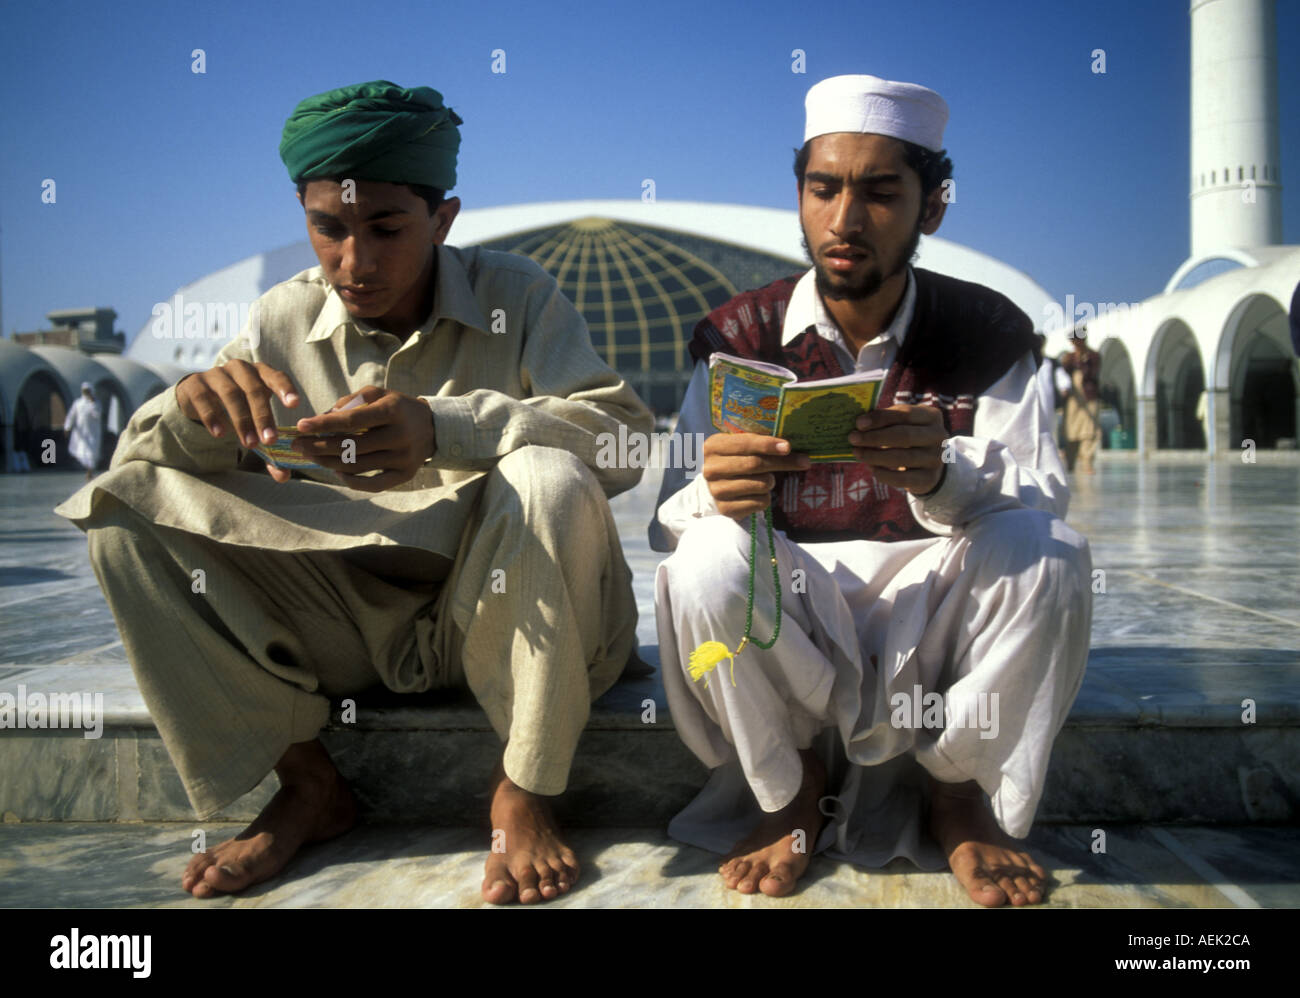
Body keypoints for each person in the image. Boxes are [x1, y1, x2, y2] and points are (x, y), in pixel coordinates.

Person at [55, 81, 653, 905]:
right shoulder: (280, 317)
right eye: (328, 229)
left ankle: (524, 787)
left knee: (546, 476)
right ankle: (308, 784)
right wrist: (196, 413)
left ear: (443, 221)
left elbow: (623, 439)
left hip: (509, 612)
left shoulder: (518, 295)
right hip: (354, 629)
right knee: (123, 510)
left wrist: (447, 429)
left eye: (386, 229)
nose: (355, 262)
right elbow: (139, 463)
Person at [651, 74, 1092, 906]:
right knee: (707, 559)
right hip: (798, 610)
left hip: (934, 604)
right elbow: (671, 519)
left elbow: (1040, 496)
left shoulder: (983, 331)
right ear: (801, 195)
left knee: (1054, 555)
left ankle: (957, 790)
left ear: (932, 209)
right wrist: (715, 488)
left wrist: (942, 473)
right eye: (824, 190)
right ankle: (790, 792)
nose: (845, 221)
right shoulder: (738, 337)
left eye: (880, 194)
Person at [1060, 328, 1102, 472]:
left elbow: (1093, 373)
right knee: (1071, 430)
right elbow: (1063, 373)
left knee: (1089, 429)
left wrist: (1084, 361)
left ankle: (1087, 462)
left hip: (1089, 395)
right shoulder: (1069, 357)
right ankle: (1070, 462)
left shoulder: (1093, 356)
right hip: (1073, 397)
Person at [63, 382, 102, 481]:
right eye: (85, 391)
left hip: (92, 433)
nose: (86, 393)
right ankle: (88, 470)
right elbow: (71, 415)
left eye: (88, 391)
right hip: (81, 434)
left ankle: (89, 472)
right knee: (82, 451)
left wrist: (92, 403)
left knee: (91, 453)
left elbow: (97, 415)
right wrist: (67, 427)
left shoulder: (96, 403)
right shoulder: (78, 403)